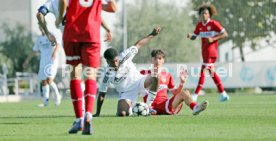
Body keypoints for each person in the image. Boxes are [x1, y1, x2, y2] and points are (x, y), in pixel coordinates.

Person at [58, 0, 117, 135]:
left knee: (75, 75)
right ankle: (88, 115)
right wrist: (107, 28)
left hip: (72, 33)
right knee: (90, 75)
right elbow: (112, 8)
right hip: (91, 35)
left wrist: (60, 17)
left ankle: (79, 118)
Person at [94, 27, 162, 117]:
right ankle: (131, 109)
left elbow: (138, 44)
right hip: (126, 93)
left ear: (118, 57)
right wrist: (98, 113)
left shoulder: (125, 56)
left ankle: (148, 106)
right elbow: (102, 93)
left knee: (156, 76)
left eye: (116, 60)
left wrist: (152, 34)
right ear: (107, 62)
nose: (115, 63)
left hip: (140, 81)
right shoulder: (107, 74)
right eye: (112, 62)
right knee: (122, 114)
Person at [140, 49, 208, 115]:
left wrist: (182, 83)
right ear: (151, 60)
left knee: (185, 92)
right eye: (155, 58)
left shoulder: (167, 75)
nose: (157, 61)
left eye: (160, 58)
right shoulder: (143, 73)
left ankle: (195, 108)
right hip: (150, 107)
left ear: (163, 60)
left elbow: (176, 93)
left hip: (165, 105)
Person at [187, 4, 230, 102]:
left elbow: (225, 34)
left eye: (206, 13)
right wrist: (190, 36)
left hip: (212, 52)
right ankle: (223, 93)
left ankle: (195, 94)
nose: (204, 15)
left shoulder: (214, 24)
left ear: (209, 15)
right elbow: (194, 36)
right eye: (202, 13)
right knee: (211, 72)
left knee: (203, 71)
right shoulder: (199, 25)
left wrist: (213, 39)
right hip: (204, 53)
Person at [23, 24, 62, 107]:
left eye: (43, 26)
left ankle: (57, 96)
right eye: (40, 27)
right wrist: (26, 61)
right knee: (44, 82)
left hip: (52, 62)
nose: (42, 29)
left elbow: (58, 44)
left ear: (46, 26)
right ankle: (45, 102)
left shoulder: (51, 35)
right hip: (43, 62)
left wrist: (55, 53)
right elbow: (34, 50)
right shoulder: (39, 39)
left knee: (49, 80)